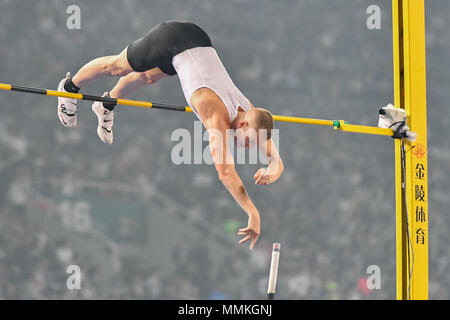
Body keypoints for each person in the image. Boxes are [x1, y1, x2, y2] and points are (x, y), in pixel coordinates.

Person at [56, 20, 284, 250]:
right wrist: (252, 212)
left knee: (148, 77)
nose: (247, 147)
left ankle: (106, 104)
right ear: (244, 122)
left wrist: (272, 172)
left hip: (197, 44)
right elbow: (225, 172)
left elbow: (275, 159)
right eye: (247, 142)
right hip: (172, 39)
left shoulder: (251, 112)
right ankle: (69, 87)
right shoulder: (216, 114)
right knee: (117, 67)